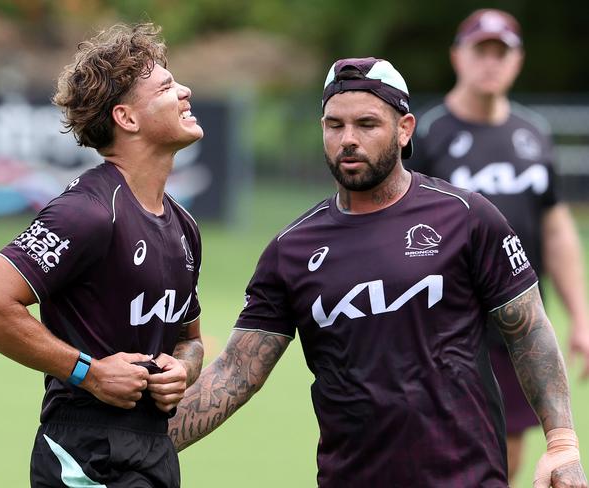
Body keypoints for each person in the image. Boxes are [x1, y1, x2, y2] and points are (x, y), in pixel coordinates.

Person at [168, 56, 587, 487]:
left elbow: (529, 329)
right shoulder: (290, 249)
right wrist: (144, 448)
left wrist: (562, 444)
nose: (348, 139)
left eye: (367, 124)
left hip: (468, 478)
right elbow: (237, 371)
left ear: (404, 129)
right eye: (335, 125)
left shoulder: (467, 218)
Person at [0, 23, 204, 488]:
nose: (186, 91)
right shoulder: (87, 212)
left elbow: (188, 339)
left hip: (155, 450)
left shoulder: (185, 227)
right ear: (127, 118)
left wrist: (184, 368)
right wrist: (87, 372)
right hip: (85, 455)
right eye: (168, 87)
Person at [409, 9, 589, 482]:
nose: (490, 62)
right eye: (480, 51)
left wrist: (581, 317)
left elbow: (555, 227)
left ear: (517, 61)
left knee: (505, 455)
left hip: (514, 320)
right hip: (445, 324)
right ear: (457, 57)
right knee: (439, 451)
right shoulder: (427, 135)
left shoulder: (532, 134)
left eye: (501, 53)